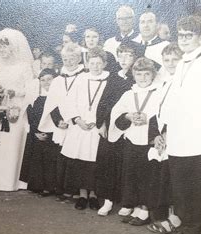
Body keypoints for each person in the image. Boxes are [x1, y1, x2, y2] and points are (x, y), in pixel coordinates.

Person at [159, 16, 201, 234]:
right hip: (178, 135)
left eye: (189, 35)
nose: (183, 39)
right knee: (181, 184)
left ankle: (194, 230)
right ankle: (185, 225)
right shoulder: (184, 61)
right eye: (181, 35)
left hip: (197, 136)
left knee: (197, 185)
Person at [0, 28, 35, 192]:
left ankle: (11, 180)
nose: (2, 50)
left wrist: (14, 92)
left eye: (6, 47)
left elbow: (31, 89)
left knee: (12, 143)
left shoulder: (24, 66)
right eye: (0, 47)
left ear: (14, 48)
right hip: (0, 107)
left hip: (16, 108)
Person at [108, 57, 163, 226]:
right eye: (139, 74)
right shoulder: (129, 94)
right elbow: (116, 113)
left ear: (153, 75)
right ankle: (135, 205)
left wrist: (148, 119)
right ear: (134, 75)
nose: (143, 78)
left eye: (147, 74)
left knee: (148, 176)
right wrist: (128, 116)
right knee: (132, 174)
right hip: (132, 139)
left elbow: (163, 114)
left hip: (149, 140)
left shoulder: (159, 92)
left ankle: (145, 209)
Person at [61, 47, 112, 211]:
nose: (96, 66)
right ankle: (83, 195)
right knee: (80, 162)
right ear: (87, 63)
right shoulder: (81, 78)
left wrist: (101, 122)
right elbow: (69, 101)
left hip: (97, 127)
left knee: (94, 162)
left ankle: (94, 195)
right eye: (92, 63)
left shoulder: (108, 80)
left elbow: (110, 104)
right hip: (81, 126)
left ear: (104, 64)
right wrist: (77, 119)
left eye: (99, 63)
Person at [38, 43, 85, 201]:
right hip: (61, 122)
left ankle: (73, 189)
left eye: (72, 58)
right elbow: (52, 104)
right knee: (60, 156)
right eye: (65, 59)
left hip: (77, 122)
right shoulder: (58, 80)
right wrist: (58, 121)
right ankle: (60, 187)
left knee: (75, 157)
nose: (69, 62)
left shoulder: (84, 77)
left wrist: (74, 119)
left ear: (79, 58)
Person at [95, 43, 138, 216]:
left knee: (128, 164)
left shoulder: (138, 77)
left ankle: (128, 202)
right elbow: (104, 102)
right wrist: (102, 123)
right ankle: (108, 200)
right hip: (112, 126)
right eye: (121, 56)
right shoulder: (113, 77)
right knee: (108, 162)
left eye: (128, 55)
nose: (124, 60)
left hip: (132, 126)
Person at [145, 43, 183, 234]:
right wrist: (156, 135)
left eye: (175, 59)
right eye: (166, 60)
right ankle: (162, 216)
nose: (170, 63)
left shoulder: (184, 81)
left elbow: (182, 112)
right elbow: (156, 113)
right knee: (162, 178)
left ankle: (175, 218)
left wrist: (167, 133)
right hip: (163, 138)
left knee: (175, 180)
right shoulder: (164, 81)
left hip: (179, 137)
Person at [20, 68, 58, 196]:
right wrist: (36, 132)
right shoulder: (36, 97)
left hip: (53, 133)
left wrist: (49, 132)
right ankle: (38, 185)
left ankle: (51, 186)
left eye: (49, 79)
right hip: (37, 133)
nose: (46, 82)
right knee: (38, 157)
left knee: (51, 158)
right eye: (43, 80)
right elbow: (31, 116)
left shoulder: (58, 96)